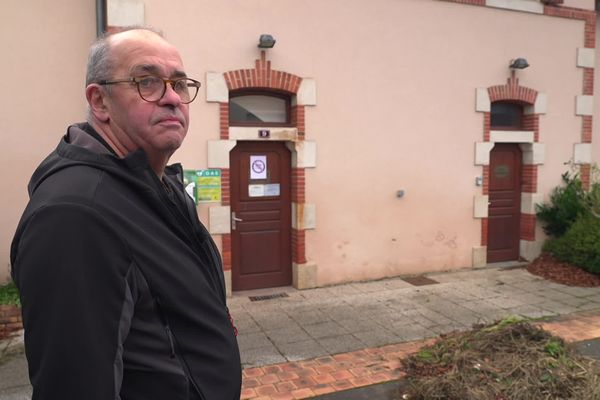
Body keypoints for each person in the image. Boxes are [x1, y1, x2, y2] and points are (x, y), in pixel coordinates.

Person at [10, 27, 241, 400]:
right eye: (147, 81)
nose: (172, 98)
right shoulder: (76, 215)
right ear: (99, 101)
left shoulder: (157, 185)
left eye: (180, 84)